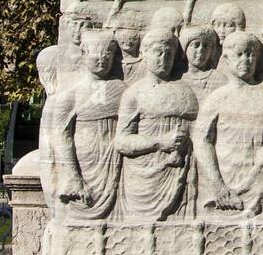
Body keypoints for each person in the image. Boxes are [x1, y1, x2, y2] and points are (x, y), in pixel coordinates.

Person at [196, 31, 263, 215]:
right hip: (225, 185)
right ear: (226, 59)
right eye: (239, 54)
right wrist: (217, 184)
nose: (245, 60)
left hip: (261, 185)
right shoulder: (217, 98)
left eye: (250, 54)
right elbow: (202, 141)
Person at [115, 30, 198, 220]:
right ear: (145, 53)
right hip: (142, 177)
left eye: (169, 54)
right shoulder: (134, 94)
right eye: (158, 52)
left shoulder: (185, 91)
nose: (164, 59)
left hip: (181, 173)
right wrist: (159, 142)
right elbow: (121, 141)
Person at [53, 30, 124, 218]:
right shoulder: (72, 95)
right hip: (86, 161)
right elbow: (61, 135)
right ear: (84, 54)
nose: (103, 59)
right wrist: (73, 176)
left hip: (115, 160)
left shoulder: (122, 89)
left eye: (108, 54)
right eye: (96, 53)